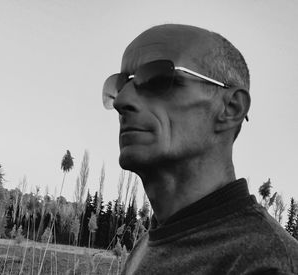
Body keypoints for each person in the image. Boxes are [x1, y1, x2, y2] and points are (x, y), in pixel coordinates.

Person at [102, 24, 298, 275]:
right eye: (120, 85)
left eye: (155, 79)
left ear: (231, 108)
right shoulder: (152, 240)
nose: (121, 101)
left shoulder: (266, 264)